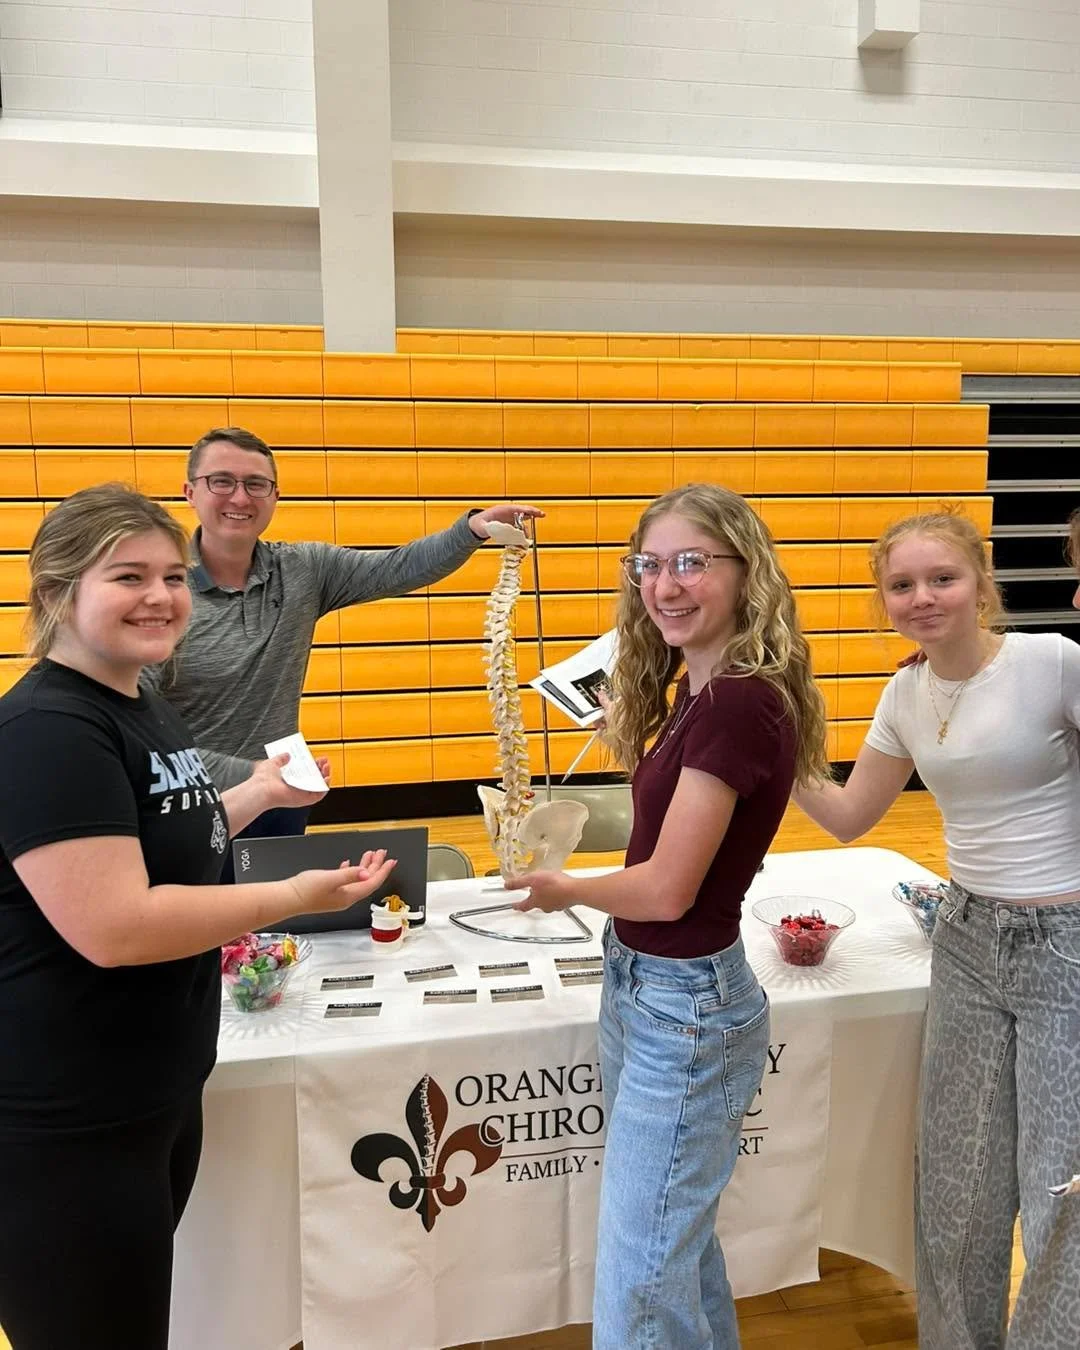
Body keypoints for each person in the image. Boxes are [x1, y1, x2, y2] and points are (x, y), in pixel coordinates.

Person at [0, 485, 397, 1350]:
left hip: (152, 1087)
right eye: (128, 576)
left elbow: (175, 829)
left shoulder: (136, 697)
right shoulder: (46, 728)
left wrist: (255, 793)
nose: (161, 596)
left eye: (174, 576)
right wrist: (292, 895)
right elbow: (118, 925)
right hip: (70, 1116)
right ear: (57, 591)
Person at [505, 483, 829, 1348]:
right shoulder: (702, 689)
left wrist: (561, 886)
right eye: (650, 565)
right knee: (672, 1254)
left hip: (683, 1006)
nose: (665, 584)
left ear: (745, 572)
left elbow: (665, 892)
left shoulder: (735, 702)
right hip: (647, 986)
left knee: (640, 1285)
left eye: (692, 562)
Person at [792, 509, 1080, 1350]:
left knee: (1058, 1188)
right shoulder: (906, 692)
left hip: (1063, 946)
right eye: (901, 585)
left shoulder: (1052, 664)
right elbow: (850, 816)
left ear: (981, 586)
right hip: (964, 941)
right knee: (957, 1184)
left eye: (942, 579)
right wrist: (775, 744)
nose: (922, 598)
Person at [145, 426, 542, 872]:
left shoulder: (303, 570)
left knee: (271, 936)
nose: (240, 498)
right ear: (189, 492)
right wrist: (253, 776)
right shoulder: (160, 591)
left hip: (282, 798)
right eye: (221, 481)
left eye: (256, 484)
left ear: (274, 496)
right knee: (192, 933)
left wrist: (470, 530)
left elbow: (397, 568)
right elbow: (140, 734)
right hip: (188, 800)